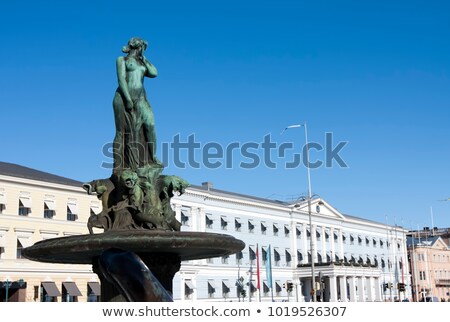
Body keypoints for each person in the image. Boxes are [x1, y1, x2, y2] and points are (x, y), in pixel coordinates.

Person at [112, 37, 158, 170]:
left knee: (150, 124)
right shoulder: (122, 60)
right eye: (142, 48)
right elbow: (121, 80)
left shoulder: (142, 63)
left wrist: (144, 58)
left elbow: (154, 73)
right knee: (121, 132)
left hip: (141, 99)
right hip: (123, 98)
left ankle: (152, 157)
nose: (142, 50)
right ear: (137, 47)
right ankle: (118, 166)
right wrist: (127, 99)